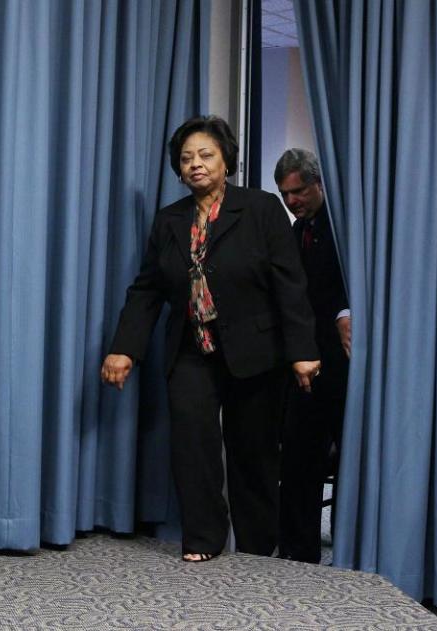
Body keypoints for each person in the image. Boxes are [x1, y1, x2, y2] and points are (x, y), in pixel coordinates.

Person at [100, 116, 321, 562]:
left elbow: (289, 283)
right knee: (192, 444)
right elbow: (147, 289)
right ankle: (203, 538)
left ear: (226, 161)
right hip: (191, 349)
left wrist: (302, 351)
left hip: (256, 351)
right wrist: (124, 348)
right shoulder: (169, 221)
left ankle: (258, 543)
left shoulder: (260, 209)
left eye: (205, 155)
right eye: (186, 159)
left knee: (253, 452)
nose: (195, 165)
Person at [274, 148, 350, 564]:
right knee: (299, 459)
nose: (292, 202)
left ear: (319, 184)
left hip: (342, 360)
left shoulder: (346, 229)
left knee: (349, 459)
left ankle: (349, 548)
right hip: (301, 364)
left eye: (298, 191)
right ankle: (298, 551)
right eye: (285, 195)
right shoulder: (292, 234)